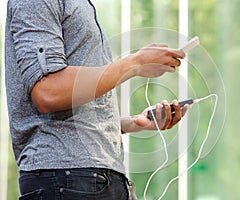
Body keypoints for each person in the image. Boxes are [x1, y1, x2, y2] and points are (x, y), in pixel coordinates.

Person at [5, 0, 188, 199]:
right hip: (68, 177)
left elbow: (71, 109)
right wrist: (136, 63)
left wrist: (132, 123)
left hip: (93, 178)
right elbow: (48, 92)